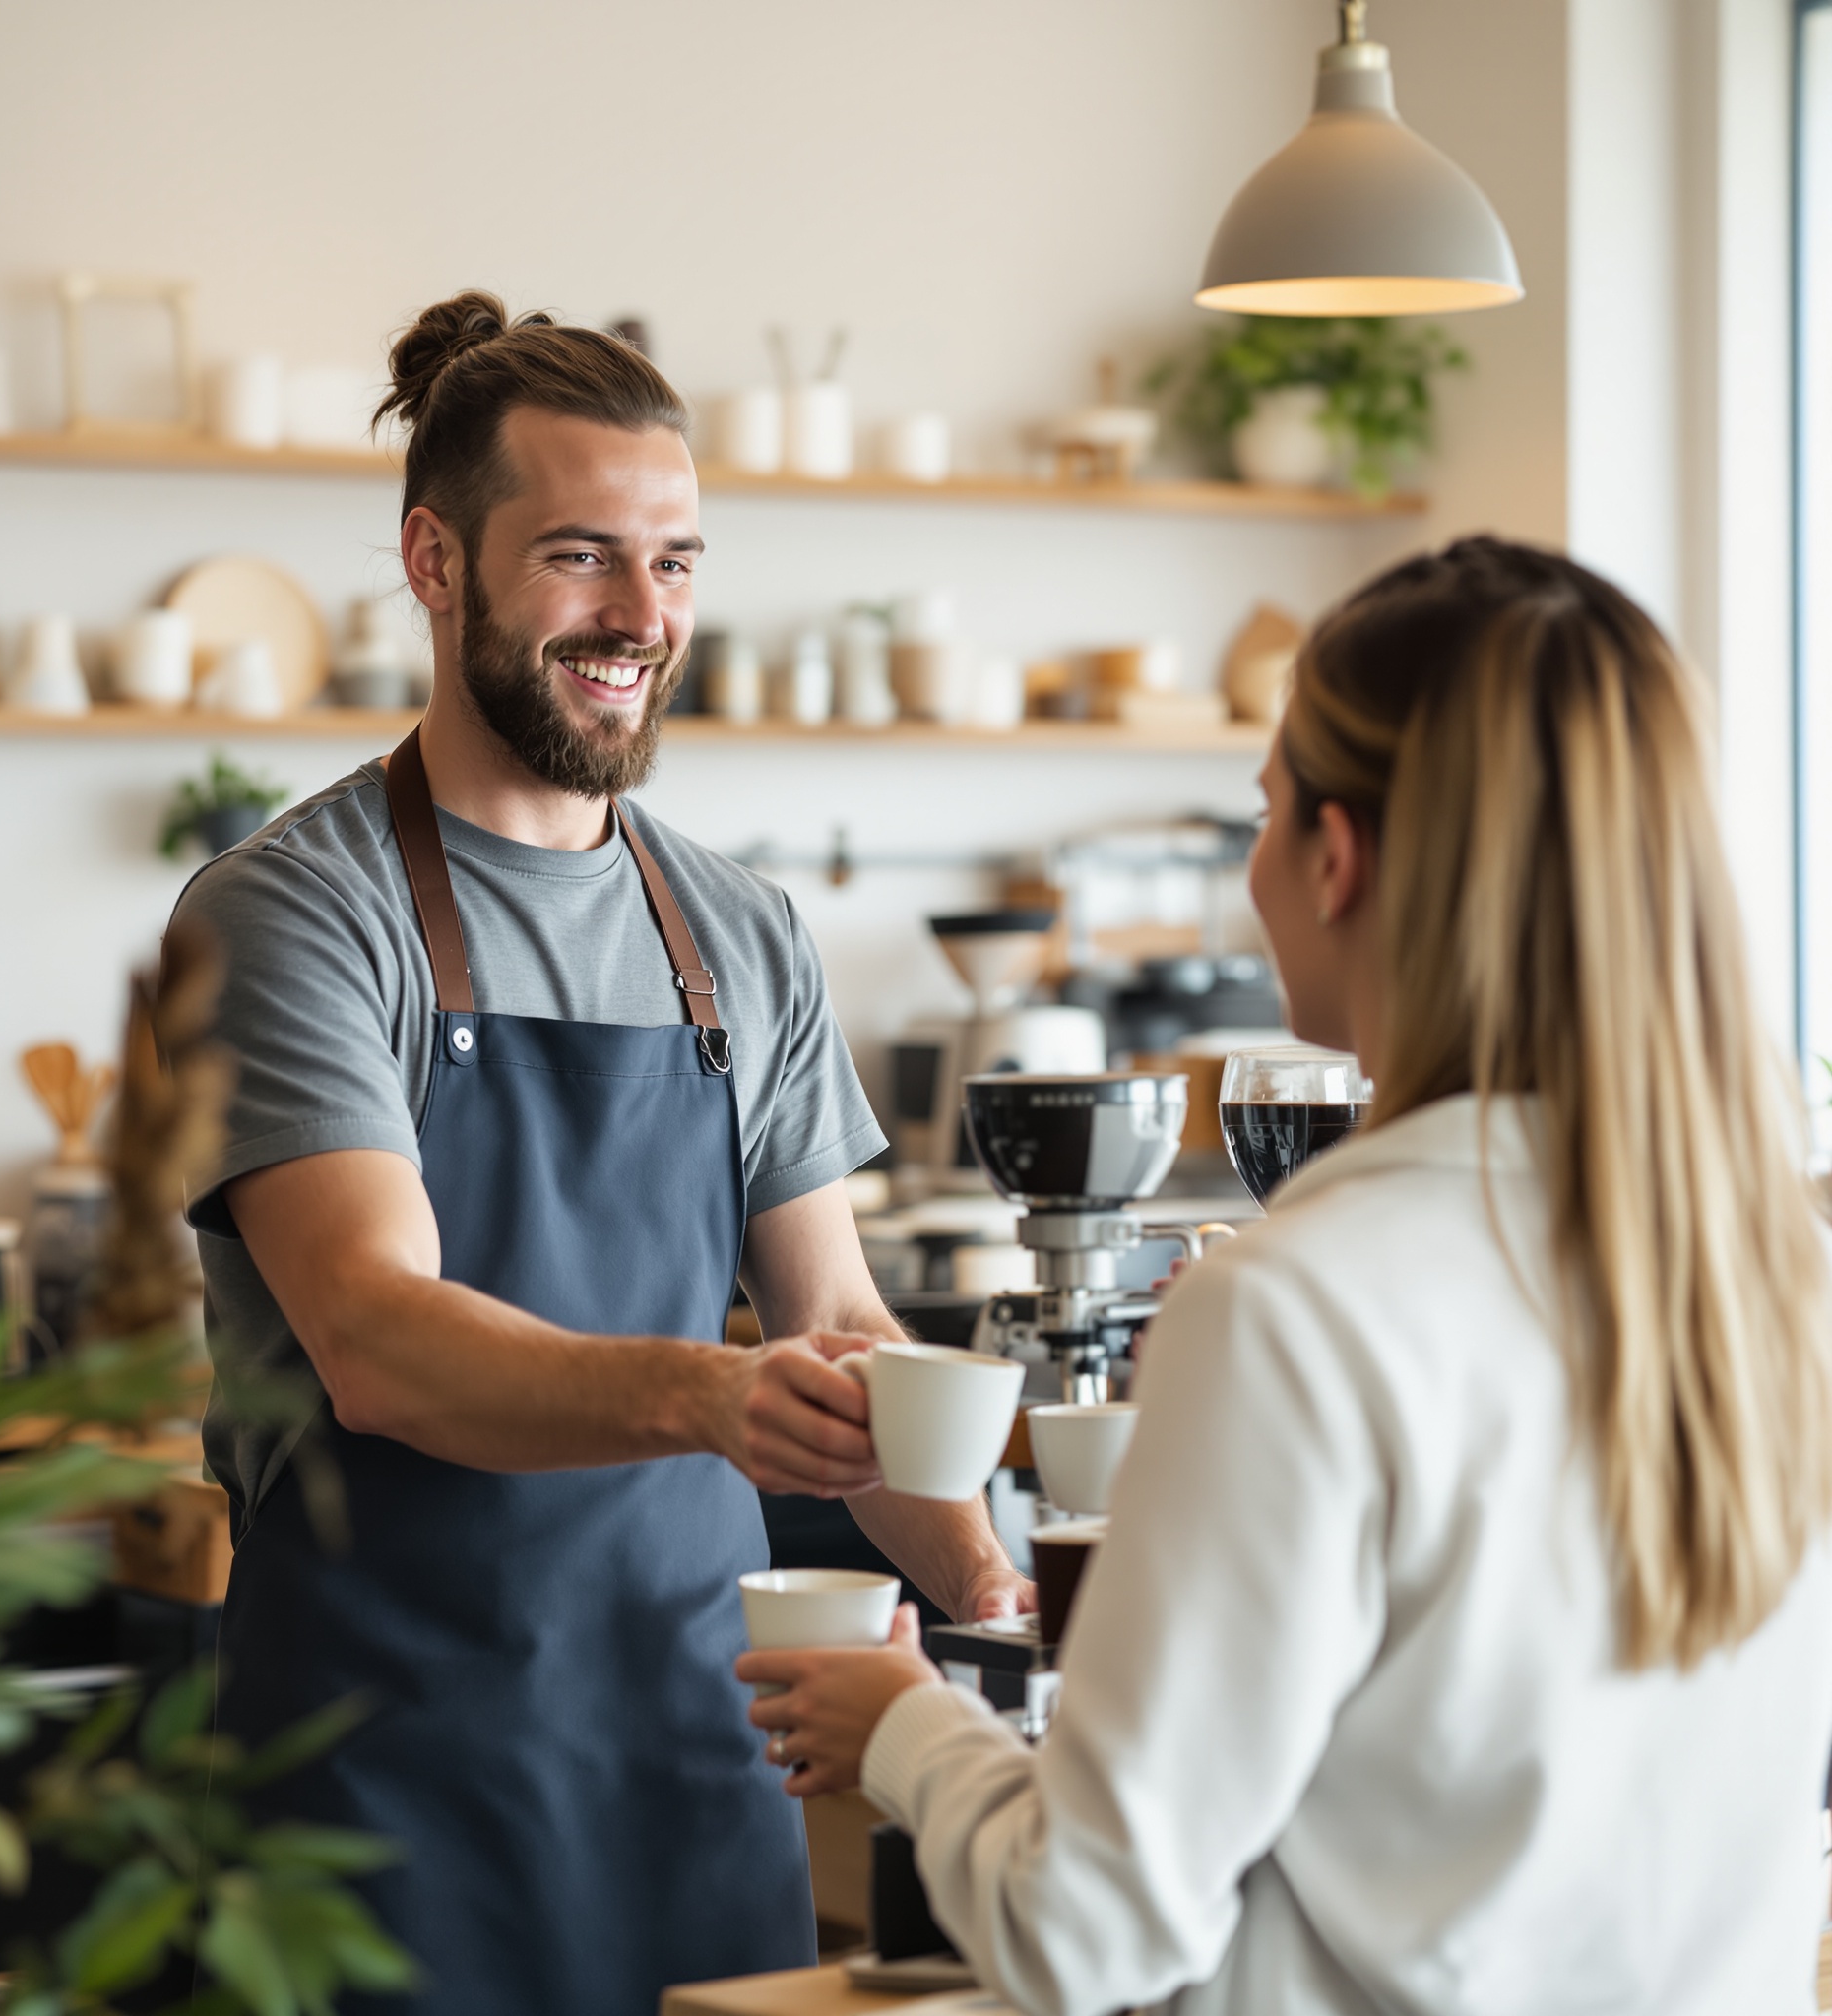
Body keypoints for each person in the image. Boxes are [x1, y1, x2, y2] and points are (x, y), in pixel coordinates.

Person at [744, 538, 1832, 2013]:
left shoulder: (1293, 1309)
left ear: (1338, 857)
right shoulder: (1777, 1270)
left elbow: (1092, 1930)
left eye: (1265, 815)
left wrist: (907, 1729)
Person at [173, 290, 1028, 2016]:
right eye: (581, 557)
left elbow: (839, 1336)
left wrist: (1001, 1591)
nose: (642, 617)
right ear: (433, 559)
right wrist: (717, 1398)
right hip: (377, 1811)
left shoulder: (742, 933)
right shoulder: (293, 916)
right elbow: (377, 1339)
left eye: (678, 562)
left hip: (699, 1775)